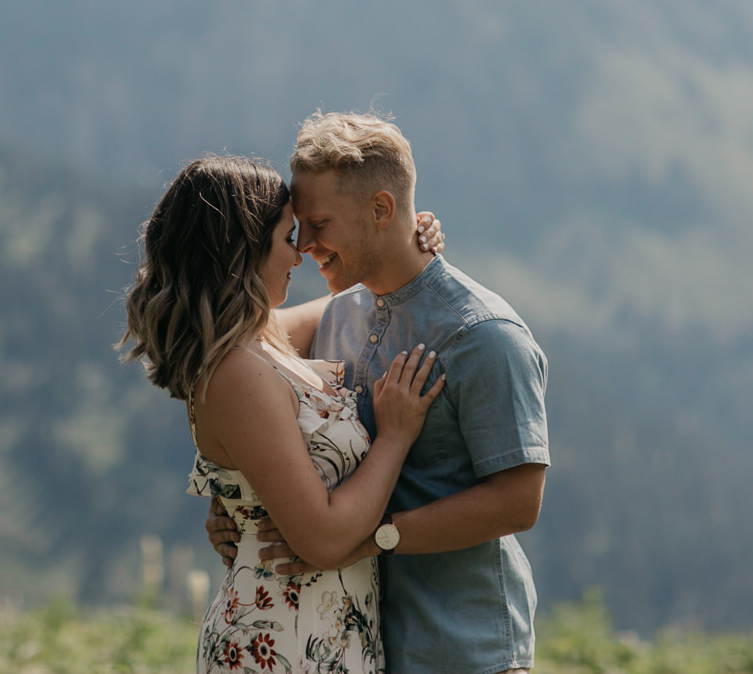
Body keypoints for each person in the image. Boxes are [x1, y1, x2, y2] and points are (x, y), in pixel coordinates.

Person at [207, 111, 550, 674]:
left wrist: (371, 538)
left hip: (465, 651)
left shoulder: (485, 337)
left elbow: (518, 502)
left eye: (319, 223)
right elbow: (238, 369)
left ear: (382, 210)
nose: (304, 246)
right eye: (299, 229)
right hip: (362, 649)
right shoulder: (338, 313)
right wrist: (237, 506)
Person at [118, 155, 447, 674]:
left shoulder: (261, 339)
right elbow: (324, 539)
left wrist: (407, 239)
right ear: (241, 251)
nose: (300, 256)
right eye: (287, 238)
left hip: (315, 635)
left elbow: (353, 295)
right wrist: (395, 437)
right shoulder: (237, 370)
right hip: (281, 645)